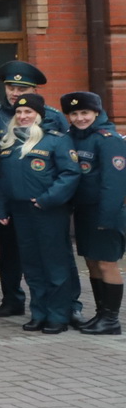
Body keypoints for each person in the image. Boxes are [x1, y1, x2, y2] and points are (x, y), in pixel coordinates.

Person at [0, 60, 68, 319]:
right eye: (11, 86)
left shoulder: (54, 117)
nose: (15, 92)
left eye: (22, 87)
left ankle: (62, 306)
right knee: (9, 253)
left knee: (51, 256)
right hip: (10, 199)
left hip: (46, 201)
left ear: (34, 90)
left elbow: (65, 159)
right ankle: (12, 299)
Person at [0, 93, 82, 335]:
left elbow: (70, 174)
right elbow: (3, 181)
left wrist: (47, 199)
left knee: (54, 265)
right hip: (20, 211)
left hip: (48, 211)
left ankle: (58, 315)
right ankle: (39, 313)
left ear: (39, 115)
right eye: (19, 113)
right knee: (32, 265)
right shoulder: (9, 142)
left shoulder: (55, 140)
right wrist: (2, 208)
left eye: (28, 112)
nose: (23, 116)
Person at [61, 92, 126, 335]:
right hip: (85, 212)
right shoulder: (74, 138)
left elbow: (115, 182)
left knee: (107, 264)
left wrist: (106, 219)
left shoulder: (108, 139)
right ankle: (100, 313)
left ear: (96, 113)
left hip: (105, 213)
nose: (80, 118)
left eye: (85, 113)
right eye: (75, 114)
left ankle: (111, 319)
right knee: (92, 262)